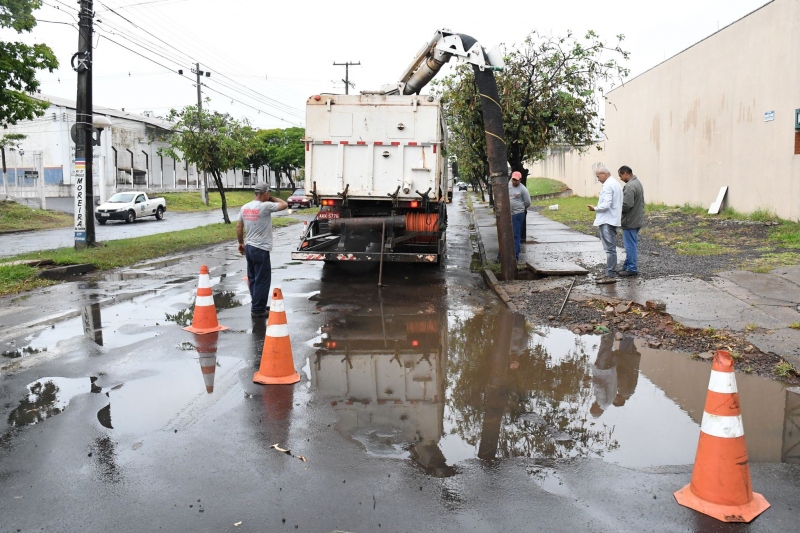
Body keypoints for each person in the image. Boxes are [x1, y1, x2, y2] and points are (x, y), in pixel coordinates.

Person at [236, 183, 288, 318]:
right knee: (262, 279)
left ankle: (257, 303)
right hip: (261, 248)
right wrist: (271, 198)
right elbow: (284, 204)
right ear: (265, 193)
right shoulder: (265, 206)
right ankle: (258, 309)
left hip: (249, 247)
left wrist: (241, 243)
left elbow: (239, 226)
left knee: (253, 278)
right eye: (268, 193)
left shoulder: (245, 207)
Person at [587, 164, 622, 284]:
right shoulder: (615, 184)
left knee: (610, 249)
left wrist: (595, 208)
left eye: (598, 176)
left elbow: (606, 204)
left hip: (607, 220)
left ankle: (610, 274)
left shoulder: (608, 185)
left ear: (604, 174)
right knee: (610, 248)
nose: (598, 179)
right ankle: (609, 272)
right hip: (612, 219)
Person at [618, 166, 645, 277]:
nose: (620, 178)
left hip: (630, 220)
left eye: (620, 175)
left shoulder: (630, 186)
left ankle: (632, 268)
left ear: (625, 173)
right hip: (636, 218)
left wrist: (617, 208)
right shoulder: (637, 183)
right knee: (632, 243)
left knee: (630, 245)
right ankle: (627, 265)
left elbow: (627, 205)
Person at [508, 171, 531, 261]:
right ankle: (502, 256)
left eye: (516, 180)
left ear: (520, 180)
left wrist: (520, 209)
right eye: (513, 179)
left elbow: (528, 202)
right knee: (507, 234)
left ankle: (516, 257)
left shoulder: (523, 189)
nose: (514, 182)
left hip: (518, 214)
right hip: (509, 213)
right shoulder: (508, 186)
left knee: (516, 235)